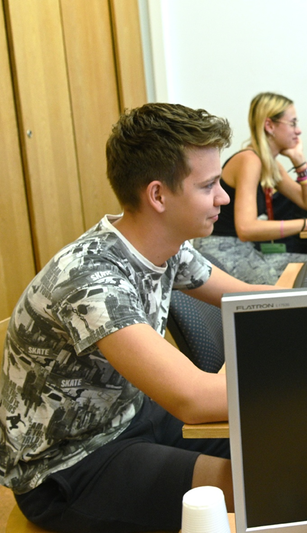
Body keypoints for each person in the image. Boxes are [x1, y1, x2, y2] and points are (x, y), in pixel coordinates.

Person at [0, 103, 274, 532]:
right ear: (158, 195)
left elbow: (247, 298)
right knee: (262, 482)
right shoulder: (92, 280)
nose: (223, 196)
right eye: (209, 185)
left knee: (276, 446)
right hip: (68, 465)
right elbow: (193, 398)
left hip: (128, 414)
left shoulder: (167, 245)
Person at [194, 92, 307, 284]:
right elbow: (246, 228)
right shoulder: (249, 160)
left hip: (245, 250)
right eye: (293, 123)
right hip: (222, 254)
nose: (298, 131)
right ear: (270, 126)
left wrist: (300, 161)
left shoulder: (268, 162)